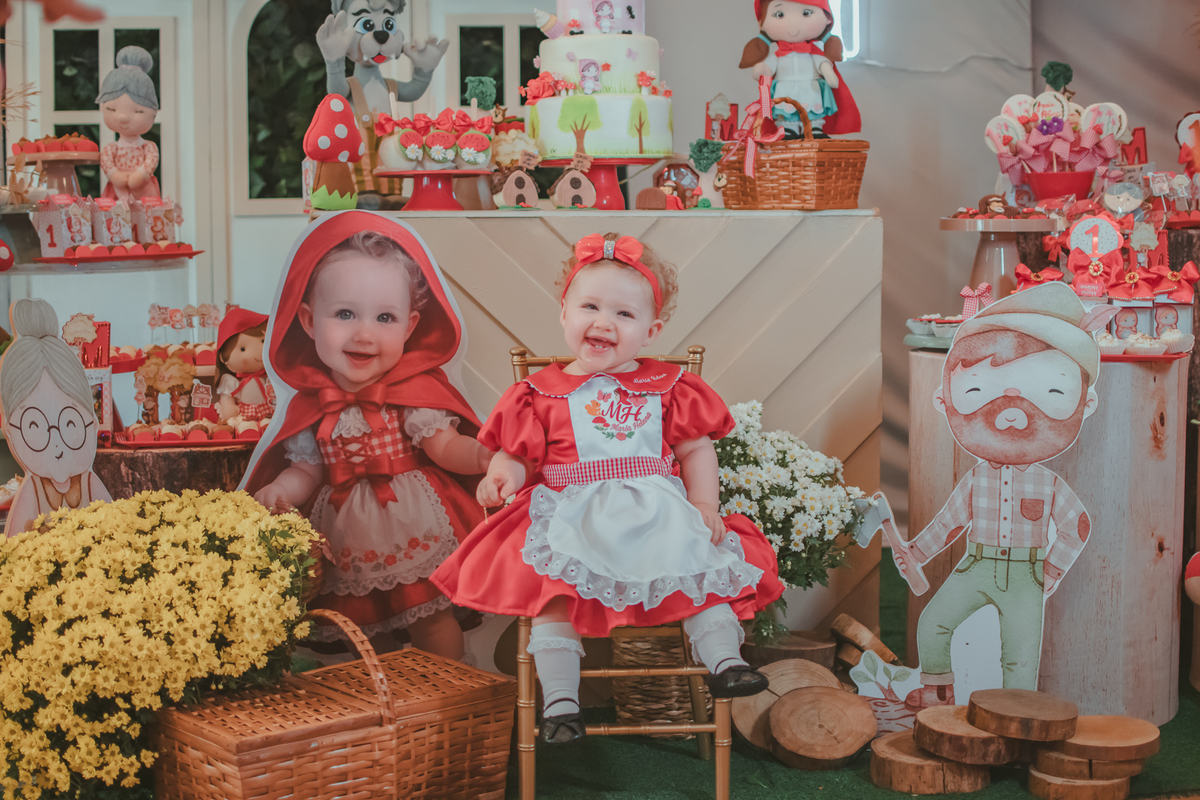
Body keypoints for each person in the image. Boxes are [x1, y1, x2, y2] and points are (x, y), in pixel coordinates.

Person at [432, 233, 784, 745]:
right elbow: (517, 451)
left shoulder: (667, 387)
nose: (602, 322)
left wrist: (705, 505)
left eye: (623, 314)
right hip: (571, 511)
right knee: (552, 594)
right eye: (590, 306)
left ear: (650, 330)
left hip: (657, 510)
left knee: (700, 570)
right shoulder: (538, 393)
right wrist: (502, 473)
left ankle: (725, 662)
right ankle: (561, 702)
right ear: (565, 314)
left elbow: (695, 450)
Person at [245, 211, 492, 660]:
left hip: (410, 519)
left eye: (385, 317)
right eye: (343, 314)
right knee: (362, 629)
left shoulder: (413, 397)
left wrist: (481, 457)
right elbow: (307, 468)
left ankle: (449, 694)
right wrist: (279, 489)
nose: (364, 334)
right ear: (307, 321)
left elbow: (443, 446)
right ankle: (384, 704)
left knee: (430, 617)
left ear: (410, 327)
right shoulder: (313, 407)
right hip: (344, 532)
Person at [891, 283, 1114, 709]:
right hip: (976, 564)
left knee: (1021, 651)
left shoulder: (1047, 484)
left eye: (1049, 394)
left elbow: (1076, 526)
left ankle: (1017, 712)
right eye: (977, 392)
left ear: (1084, 405)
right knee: (934, 622)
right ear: (945, 401)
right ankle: (938, 690)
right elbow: (950, 521)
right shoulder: (977, 479)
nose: (1012, 407)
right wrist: (916, 553)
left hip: (1026, 576)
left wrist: (1049, 572)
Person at [0, 298, 112, 537]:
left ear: (91, 422)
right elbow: (14, 548)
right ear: (10, 429)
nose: (57, 443)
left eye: (71, 423)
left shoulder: (89, 483)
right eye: (35, 427)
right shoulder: (32, 491)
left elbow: (117, 531)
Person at [739, 0, 860, 139]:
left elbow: (822, 63)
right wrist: (762, 70)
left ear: (827, 18)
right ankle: (788, 129)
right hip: (785, 89)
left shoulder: (814, 54)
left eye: (806, 13)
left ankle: (815, 128)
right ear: (762, 23)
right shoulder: (777, 57)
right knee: (786, 112)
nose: (793, 23)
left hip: (810, 88)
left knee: (813, 110)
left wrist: (828, 72)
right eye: (779, 14)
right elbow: (766, 69)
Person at [96, 46, 161, 202]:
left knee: (147, 223)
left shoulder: (148, 147)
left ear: (153, 114)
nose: (123, 117)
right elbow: (106, 162)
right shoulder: (111, 148)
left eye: (138, 112)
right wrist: (114, 175)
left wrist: (141, 174)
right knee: (115, 221)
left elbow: (151, 161)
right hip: (117, 194)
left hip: (144, 193)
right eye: (111, 109)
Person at [215, 308, 274, 424]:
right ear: (222, 357)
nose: (256, 354)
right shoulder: (231, 381)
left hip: (268, 416)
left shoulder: (270, 377)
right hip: (243, 419)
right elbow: (228, 398)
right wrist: (229, 409)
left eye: (263, 342)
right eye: (242, 349)